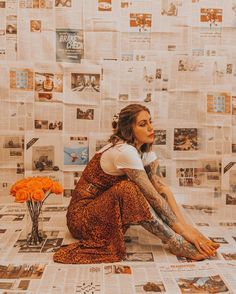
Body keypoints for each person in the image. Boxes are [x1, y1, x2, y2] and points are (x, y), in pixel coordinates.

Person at [53, 104, 219, 264]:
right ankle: (174, 242)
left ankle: (177, 238)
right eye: (142, 124)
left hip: (105, 215)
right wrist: (180, 234)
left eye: (150, 122)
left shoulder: (143, 151)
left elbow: (160, 190)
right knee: (129, 188)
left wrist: (186, 227)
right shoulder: (124, 151)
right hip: (81, 220)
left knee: (136, 189)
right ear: (129, 130)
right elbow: (152, 198)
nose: (150, 128)